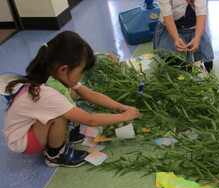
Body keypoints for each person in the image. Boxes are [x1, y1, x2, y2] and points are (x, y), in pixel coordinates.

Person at [3, 31, 141, 168]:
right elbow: (89, 119)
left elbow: (91, 95)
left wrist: (120, 107)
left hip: (33, 128)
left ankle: (60, 133)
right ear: (63, 69)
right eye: (81, 72)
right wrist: (123, 117)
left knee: (72, 92)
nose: (81, 77)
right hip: (23, 141)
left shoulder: (54, 75)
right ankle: (56, 155)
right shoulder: (45, 93)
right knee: (57, 116)